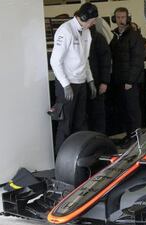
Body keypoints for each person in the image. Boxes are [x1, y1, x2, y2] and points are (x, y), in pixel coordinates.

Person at [50, 3, 98, 154]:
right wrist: (65, 84)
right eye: (92, 20)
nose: (94, 23)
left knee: (80, 123)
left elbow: (85, 59)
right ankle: (61, 161)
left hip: (81, 83)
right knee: (65, 125)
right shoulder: (65, 31)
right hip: (68, 85)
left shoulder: (86, 32)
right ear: (83, 17)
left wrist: (90, 80)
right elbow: (55, 61)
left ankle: (78, 156)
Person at [110, 7, 145, 147]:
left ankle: (136, 139)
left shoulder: (134, 35)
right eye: (118, 17)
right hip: (119, 79)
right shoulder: (115, 35)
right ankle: (128, 135)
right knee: (124, 110)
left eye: (123, 17)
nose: (120, 20)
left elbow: (137, 60)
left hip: (130, 81)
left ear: (128, 18)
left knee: (133, 111)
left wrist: (130, 80)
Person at [87, 26, 111, 134]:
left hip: (97, 81)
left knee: (98, 114)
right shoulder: (79, 36)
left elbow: (105, 61)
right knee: (86, 115)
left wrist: (104, 81)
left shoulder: (98, 38)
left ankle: (99, 140)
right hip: (84, 82)